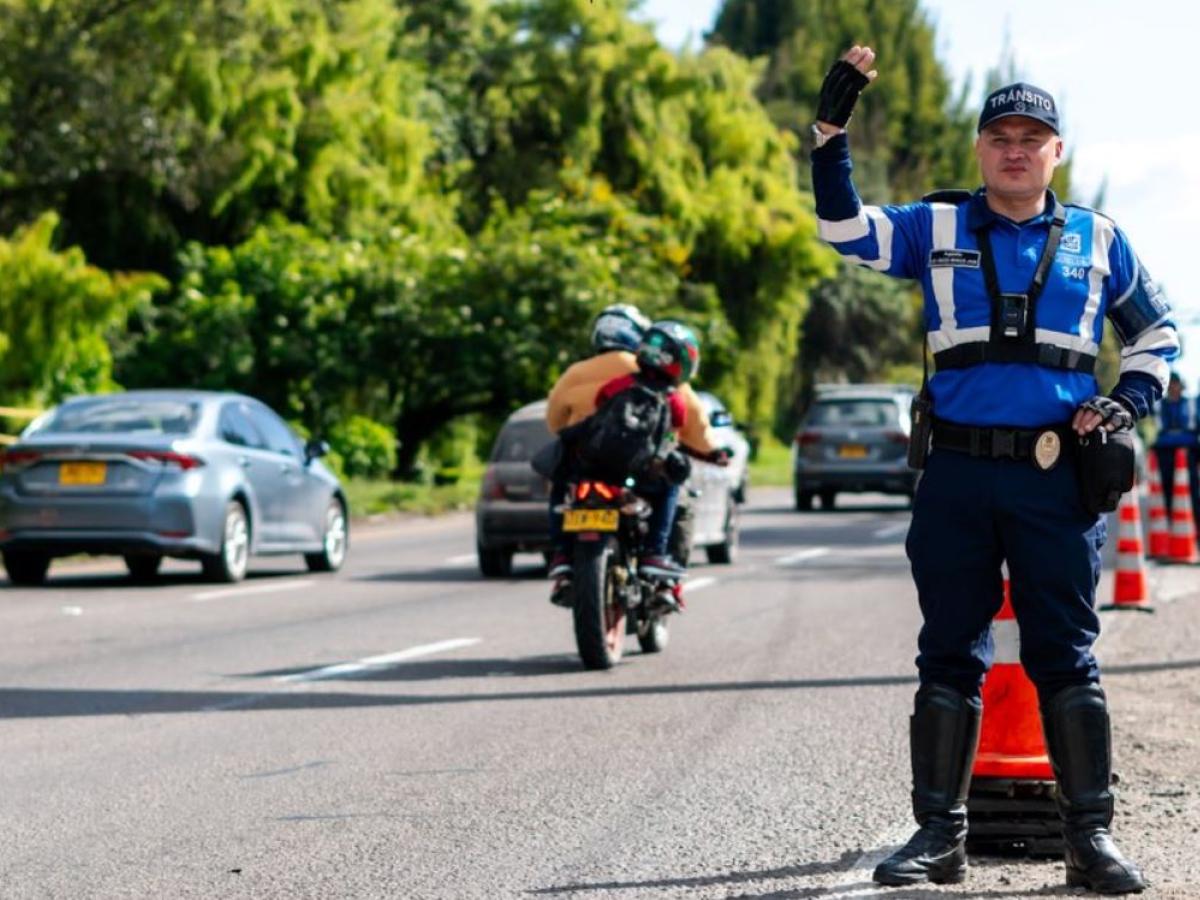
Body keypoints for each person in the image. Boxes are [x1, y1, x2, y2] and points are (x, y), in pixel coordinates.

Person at [811, 46, 1179, 894]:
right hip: (958, 477)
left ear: (1058, 152)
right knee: (949, 653)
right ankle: (938, 837)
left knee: (1067, 657)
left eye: (1033, 137)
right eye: (1001, 136)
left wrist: (1125, 402)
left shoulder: (1100, 238)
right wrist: (831, 136)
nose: (1016, 149)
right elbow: (843, 231)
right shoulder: (932, 227)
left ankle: (1090, 839)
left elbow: (1158, 335)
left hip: (1057, 481)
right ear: (980, 149)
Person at [544, 307, 722, 603]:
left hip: (586, 467)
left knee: (559, 485)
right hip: (639, 470)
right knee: (674, 493)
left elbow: (554, 422)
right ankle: (659, 564)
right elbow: (690, 423)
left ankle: (561, 554)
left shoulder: (576, 372)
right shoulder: (658, 374)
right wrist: (713, 451)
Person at [1153, 372, 1199, 542]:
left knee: (1192, 490)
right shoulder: (1159, 405)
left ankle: (1194, 528)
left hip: (1188, 450)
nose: (1174, 387)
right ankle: (1173, 527)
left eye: (1176, 384)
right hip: (1165, 451)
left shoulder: (1192, 404)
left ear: (1181, 385)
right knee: (1167, 489)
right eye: (1171, 384)